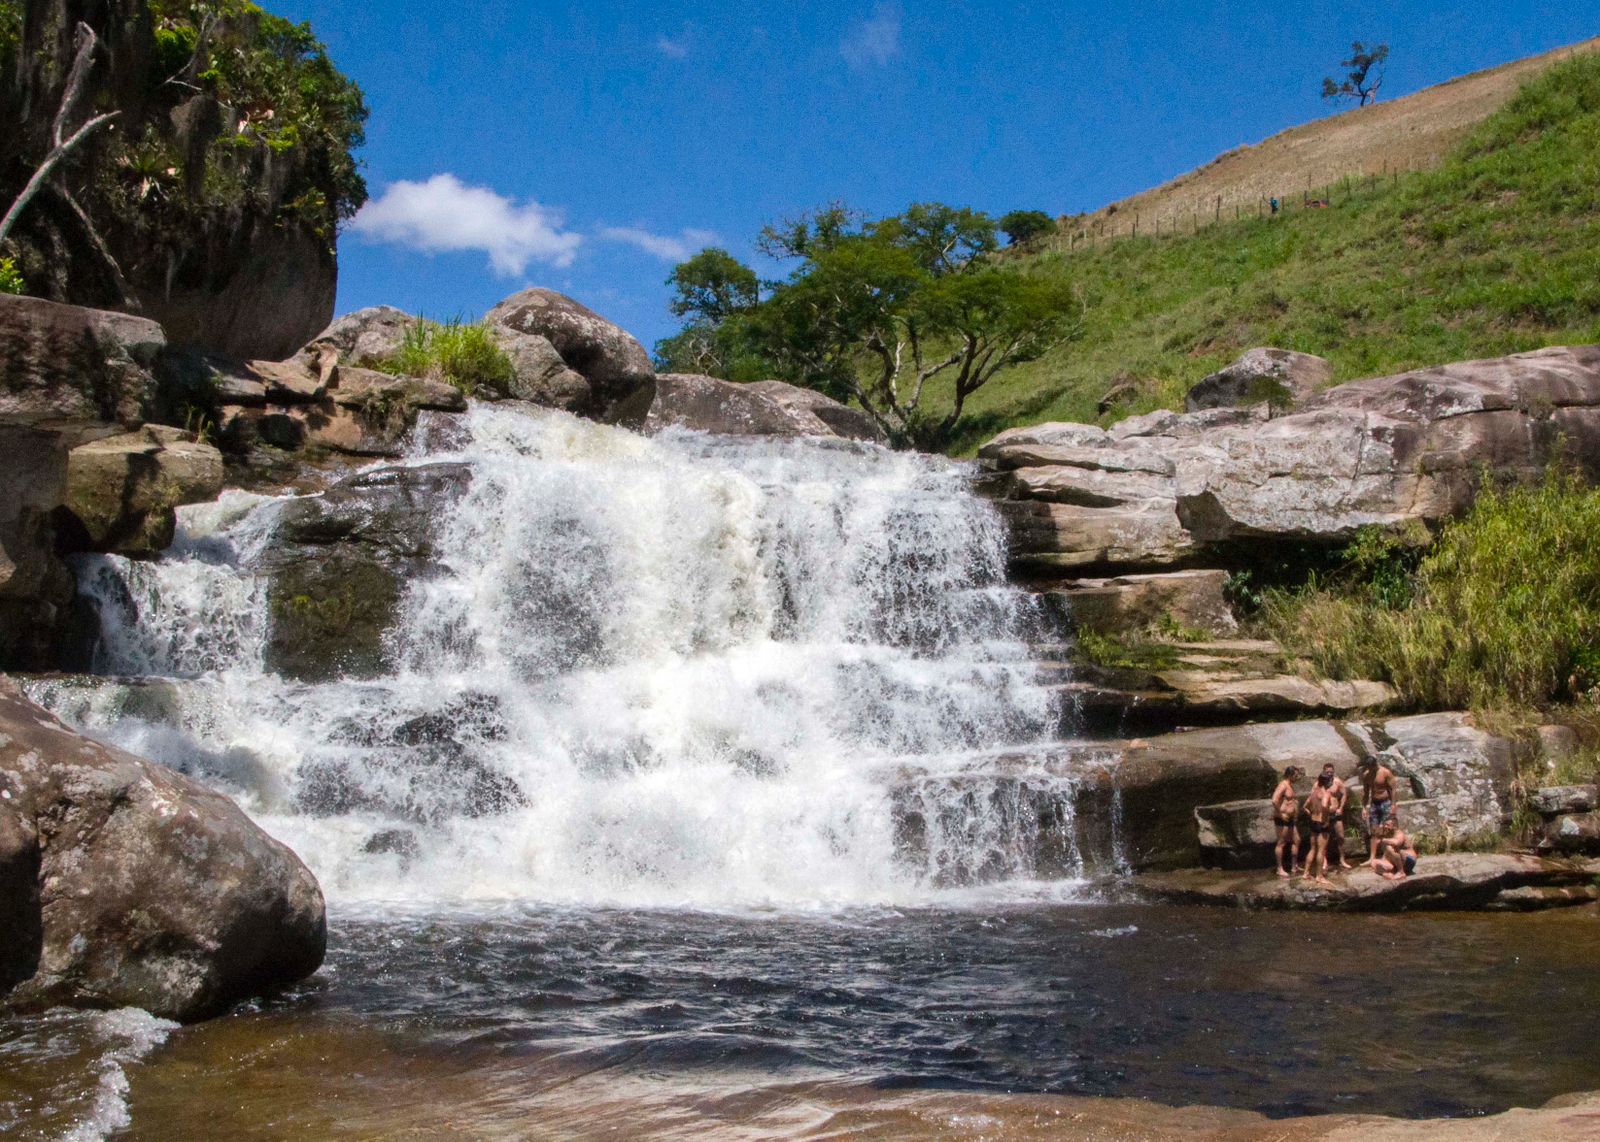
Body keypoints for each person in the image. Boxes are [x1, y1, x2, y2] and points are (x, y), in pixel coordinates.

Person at [1358, 756, 1399, 865]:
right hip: (1374, 804)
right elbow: (1366, 792)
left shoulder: (1385, 772)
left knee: (1387, 829)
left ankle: (1387, 856)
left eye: (1373, 767)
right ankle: (1372, 858)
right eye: (1369, 767)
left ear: (1376, 764)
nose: (1371, 769)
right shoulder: (1367, 775)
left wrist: (1393, 805)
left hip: (1386, 802)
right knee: (1374, 830)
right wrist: (1364, 807)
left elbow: (1393, 789)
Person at [1301, 771, 1338, 886]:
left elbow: (1304, 807)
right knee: (1321, 851)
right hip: (1322, 824)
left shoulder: (1314, 792)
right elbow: (1324, 805)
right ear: (1328, 782)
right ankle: (1319, 876)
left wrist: (1311, 814)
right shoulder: (1326, 793)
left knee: (1312, 849)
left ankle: (1306, 873)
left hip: (1313, 822)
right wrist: (1326, 819)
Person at [1270, 766, 1302, 878]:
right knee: (1281, 843)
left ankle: (1294, 866)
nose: (1297, 777)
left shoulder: (1290, 785)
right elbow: (1274, 800)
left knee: (1297, 840)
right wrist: (1281, 814)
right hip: (1282, 819)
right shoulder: (1283, 785)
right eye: (1296, 775)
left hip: (1290, 819)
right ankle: (1279, 868)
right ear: (1290, 775)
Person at [1321, 763, 1354, 870]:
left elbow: (1344, 794)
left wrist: (1341, 807)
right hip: (1325, 814)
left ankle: (1342, 860)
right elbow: (1314, 795)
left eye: (1331, 772)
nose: (1329, 773)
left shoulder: (1337, 781)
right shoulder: (1320, 783)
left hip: (1336, 813)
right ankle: (1324, 860)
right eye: (1327, 772)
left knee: (1341, 836)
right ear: (1324, 771)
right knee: (1324, 838)